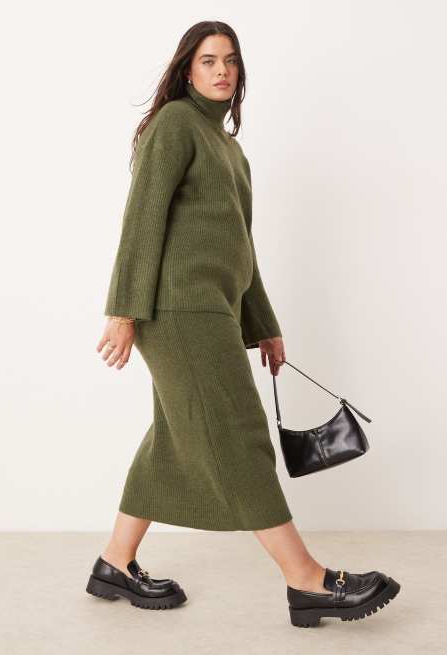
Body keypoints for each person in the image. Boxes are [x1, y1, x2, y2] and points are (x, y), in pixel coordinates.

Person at [86, 21, 401, 625]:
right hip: (178, 311)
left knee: (172, 438)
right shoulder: (175, 124)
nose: (222, 71)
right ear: (187, 69)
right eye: (208, 61)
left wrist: (265, 325)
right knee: (239, 432)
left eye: (230, 60)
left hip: (216, 311)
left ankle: (114, 563)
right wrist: (123, 311)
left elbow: (242, 248)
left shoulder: (230, 149)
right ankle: (305, 579)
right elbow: (142, 219)